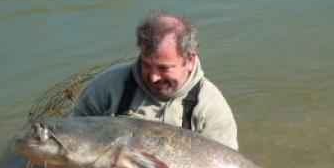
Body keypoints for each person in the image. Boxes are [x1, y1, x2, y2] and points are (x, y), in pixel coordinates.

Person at [73, 12, 238, 150]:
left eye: (164, 68)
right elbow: (75, 133)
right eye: (146, 64)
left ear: (189, 60)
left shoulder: (212, 108)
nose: (153, 77)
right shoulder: (107, 86)